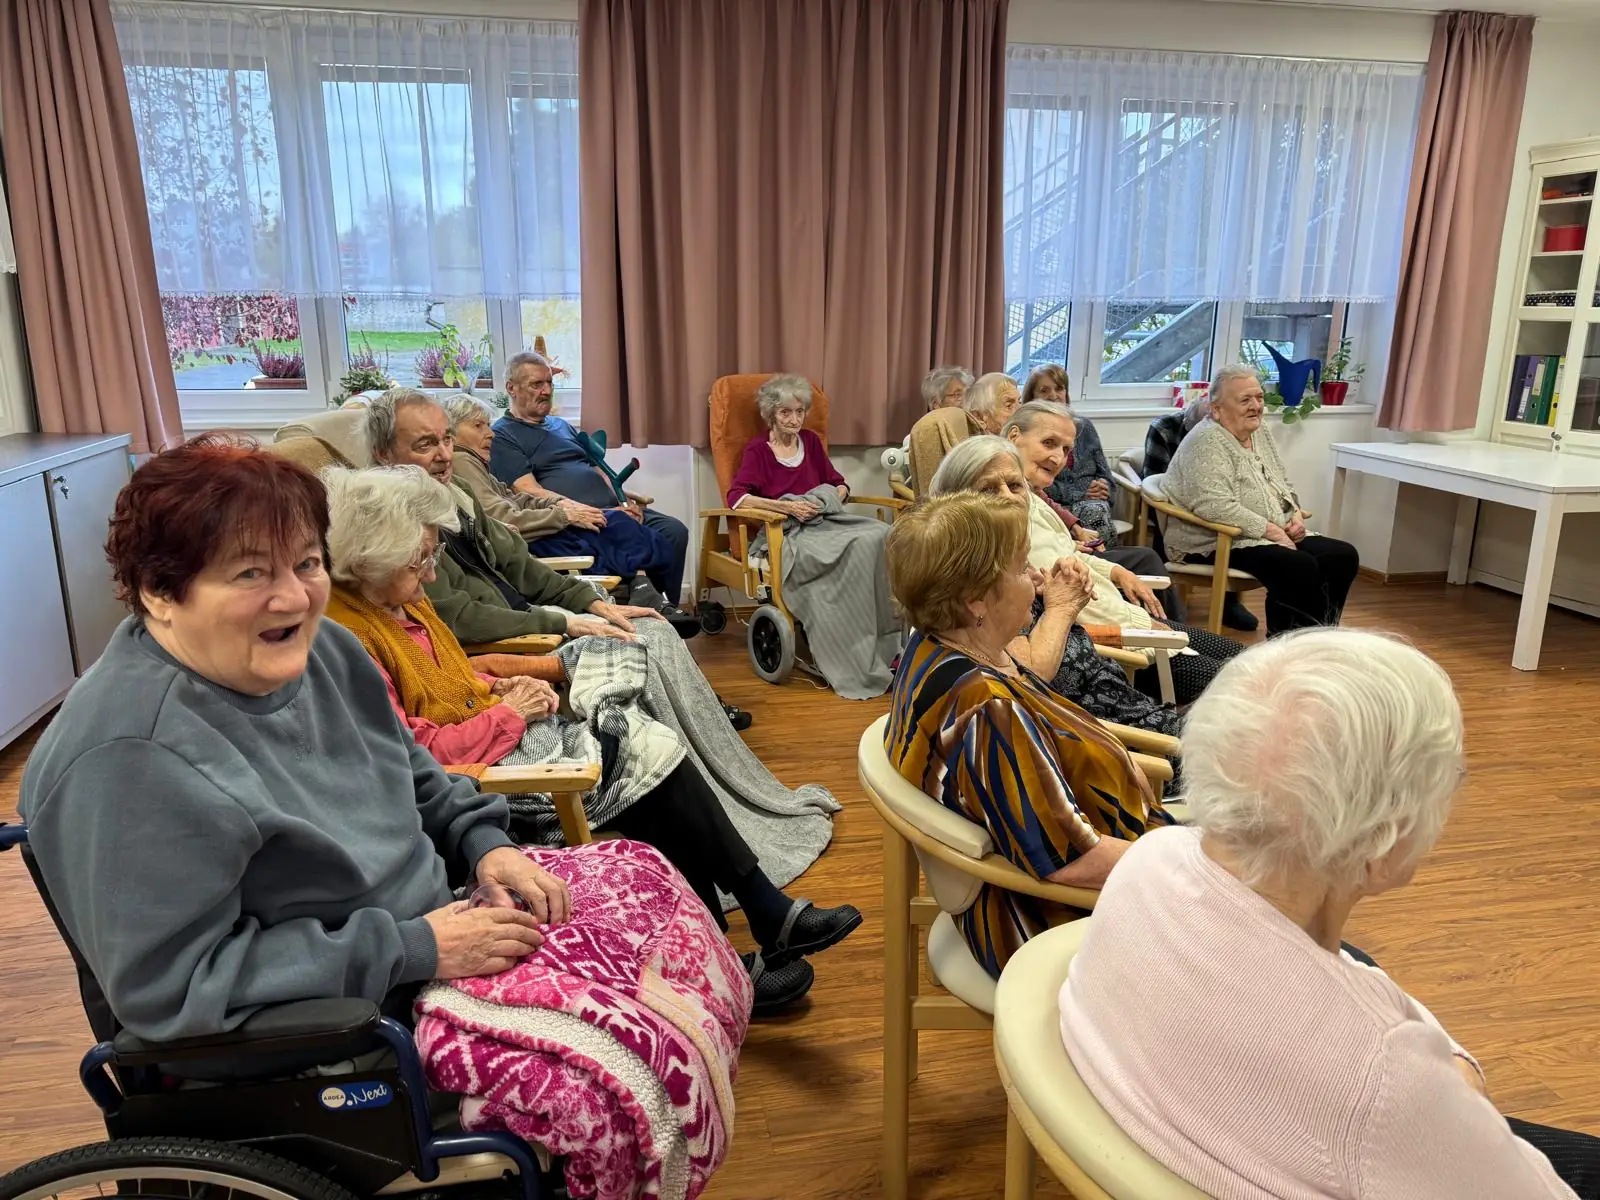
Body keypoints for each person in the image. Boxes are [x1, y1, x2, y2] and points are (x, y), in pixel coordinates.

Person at [14, 435, 699, 1043]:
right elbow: (175, 987)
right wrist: (415, 948)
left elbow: (417, 776)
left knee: (657, 897)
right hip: (353, 1021)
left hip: (439, 924)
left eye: (307, 563)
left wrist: (486, 845)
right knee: (649, 1051)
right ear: (159, 592)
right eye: (251, 572)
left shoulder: (327, 650)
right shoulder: (126, 757)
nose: (294, 598)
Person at [1060, 628, 1600, 1199]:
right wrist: (1456, 1079)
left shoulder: (1151, 858)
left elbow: (1355, 988)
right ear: (1382, 844)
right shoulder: (1385, 1080)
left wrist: (1446, 1066)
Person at [321, 465, 861, 1014]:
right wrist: (508, 712)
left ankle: (734, 942)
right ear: (369, 559)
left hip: (505, 736)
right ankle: (755, 924)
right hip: (486, 780)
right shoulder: (348, 639)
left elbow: (449, 676)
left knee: (649, 758)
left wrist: (501, 685)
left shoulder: (401, 598)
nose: (434, 573)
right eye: (420, 560)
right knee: (646, 760)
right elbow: (418, 755)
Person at [884, 492, 1170, 977]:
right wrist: (1187, 867)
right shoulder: (987, 709)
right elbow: (1070, 862)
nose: (1037, 578)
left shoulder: (940, 648)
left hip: (1100, 879)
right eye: (1021, 568)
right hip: (1054, 921)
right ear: (976, 600)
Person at [366, 388, 753, 730]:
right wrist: (563, 621)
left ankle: (700, 719)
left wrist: (591, 603)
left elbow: (522, 567)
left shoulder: (458, 491)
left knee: (651, 626)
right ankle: (695, 726)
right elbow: (461, 618)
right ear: (383, 454)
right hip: (509, 639)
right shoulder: (398, 524)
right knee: (640, 642)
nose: (445, 455)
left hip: (525, 615)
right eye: (425, 445)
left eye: (447, 440)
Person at [929, 437, 1181, 743]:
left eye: (1015, 485)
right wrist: (1062, 606)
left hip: (1117, 697)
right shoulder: (976, 584)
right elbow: (1027, 680)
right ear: (956, 502)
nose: (1008, 497)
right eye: (988, 490)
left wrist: (1055, 586)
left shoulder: (1009, 558)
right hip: (1101, 735)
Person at [1003, 401, 1242, 706]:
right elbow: (1069, 599)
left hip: (1129, 622)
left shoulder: (1032, 498)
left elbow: (1069, 558)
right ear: (1014, 437)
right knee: (1247, 681)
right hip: (1124, 648)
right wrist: (1145, 626)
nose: (1058, 458)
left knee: (1245, 658)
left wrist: (1118, 572)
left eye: (1065, 450)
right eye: (1048, 443)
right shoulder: (1014, 510)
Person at [727, 374, 901, 699]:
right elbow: (737, 498)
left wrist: (826, 498)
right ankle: (849, 651)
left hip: (825, 520)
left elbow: (839, 484)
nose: (794, 420)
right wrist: (786, 507)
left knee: (882, 533)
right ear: (771, 414)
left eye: (799, 412)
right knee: (858, 544)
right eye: (785, 412)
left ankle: (887, 646)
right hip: (788, 530)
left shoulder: (810, 441)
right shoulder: (758, 450)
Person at [443, 392, 686, 613]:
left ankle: (646, 591)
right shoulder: (463, 461)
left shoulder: (477, 462)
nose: (490, 433)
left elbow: (515, 498)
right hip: (532, 539)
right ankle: (648, 592)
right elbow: (500, 516)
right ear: (451, 432)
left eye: (487, 424)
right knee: (617, 526)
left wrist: (562, 506)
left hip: (564, 517)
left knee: (635, 527)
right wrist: (564, 515)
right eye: (478, 425)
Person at [490, 351, 691, 616]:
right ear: (511, 388)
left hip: (612, 509)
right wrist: (594, 511)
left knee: (674, 531)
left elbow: (597, 468)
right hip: (576, 518)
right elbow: (527, 489)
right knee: (626, 532)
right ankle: (650, 605)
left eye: (549, 383)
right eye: (537, 384)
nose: (547, 391)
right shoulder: (503, 435)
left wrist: (623, 501)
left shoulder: (561, 426)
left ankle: (665, 612)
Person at [1164, 364, 1360, 635]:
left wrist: (1294, 513)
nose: (1256, 406)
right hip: (1215, 540)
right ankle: (1284, 644)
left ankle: (1317, 638)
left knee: (1340, 555)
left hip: (1267, 531)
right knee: (1296, 566)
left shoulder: (1259, 431)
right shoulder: (1205, 441)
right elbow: (1213, 506)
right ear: (1216, 408)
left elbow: (1280, 480)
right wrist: (1275, 532)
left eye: (1259, 397)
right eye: (1245, 400)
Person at [1141, 396, 1258, 633]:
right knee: (1170, 523)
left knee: (1237, 520)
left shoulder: (1233, 429)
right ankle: (1162, 605)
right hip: (1178, 503)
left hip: (1220, 503)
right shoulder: (1164, 429)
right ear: (1190, 425)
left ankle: (1228, 601)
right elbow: (1157, 479)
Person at [1024, 365, 1117, 545]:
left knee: (1097, 509)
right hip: (1053, 505)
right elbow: (1034, 482)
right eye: (1044, 390)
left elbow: (1106, 474)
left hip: (1093, 502)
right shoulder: (1029, 433)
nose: (1053, 395)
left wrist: (1104, 487)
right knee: (1095, 512)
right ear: (1032, 398)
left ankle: (1104, 559)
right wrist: (1080, 493)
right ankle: (1100, 559)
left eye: (1059, 388)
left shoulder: (1084, 426)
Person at [906, 370, 1020, 497]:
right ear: (936, 404)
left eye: (967, 393)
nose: (965, 399)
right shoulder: (933, 434)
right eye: (957, 394)